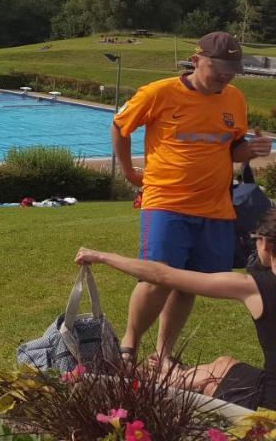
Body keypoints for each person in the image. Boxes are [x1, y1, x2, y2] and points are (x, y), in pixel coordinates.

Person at [111, 31, 272, 365]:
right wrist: (128, 172)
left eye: (233, 68)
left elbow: (231, 150)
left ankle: (163, 355)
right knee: (157, 277)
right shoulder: (158, 93)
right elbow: (120, 125)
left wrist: (251, 151)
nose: (227, 75)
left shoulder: (234, 99)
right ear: (197, 61)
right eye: (220, 68)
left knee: (189, 285)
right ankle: (128, 345)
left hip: (215, 206)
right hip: (166, 200)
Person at [75, 211, 276, 411]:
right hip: (269, 383)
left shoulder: (255, 287)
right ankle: (164, 377)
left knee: (207, 383)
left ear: (265, 243)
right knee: (224, 364)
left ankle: (150, 382)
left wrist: (101, 256)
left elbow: (162, 275)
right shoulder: (255, 286)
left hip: (270, 402)